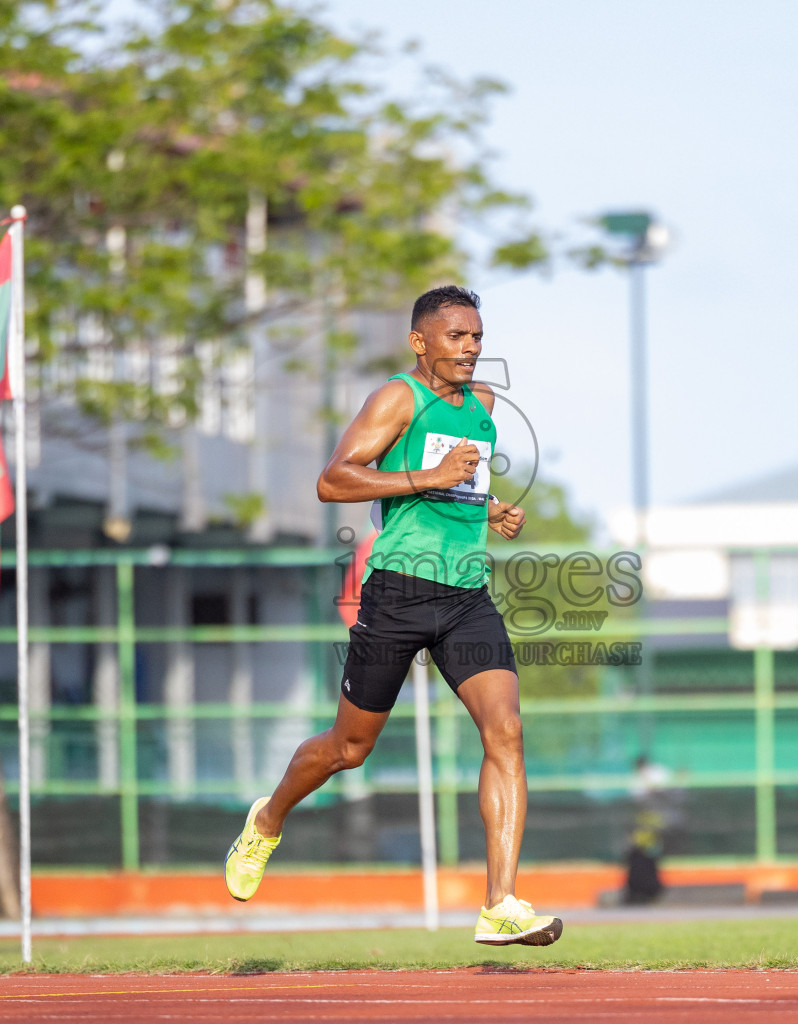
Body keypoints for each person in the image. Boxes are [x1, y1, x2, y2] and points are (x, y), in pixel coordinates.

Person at [224, 285, 562, 947]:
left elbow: (461, 486)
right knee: (348, 749)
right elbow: (334, 480)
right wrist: (426, 479)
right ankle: (267, 820)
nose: (470, 348)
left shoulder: (484, 407)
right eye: (457, 337)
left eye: (477, 337)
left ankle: (500, 903)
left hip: (466, 594)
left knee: (507, 732)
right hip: (398, 593)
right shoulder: (397, 398)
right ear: (420, 342)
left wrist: (491, 511)